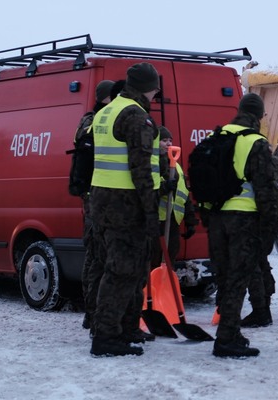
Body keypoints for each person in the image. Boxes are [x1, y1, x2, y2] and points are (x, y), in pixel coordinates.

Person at [89, 63, 162, 357]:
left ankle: (126, 328)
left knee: (127, 269)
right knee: (121, 271)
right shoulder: (135, 115)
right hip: (126, 203)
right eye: (156, 89)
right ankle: (106, 335)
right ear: (151, 87)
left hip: (103, 200)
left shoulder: (106, 111)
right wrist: (150, 211)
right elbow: (141, 169)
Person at [206, 92, 278, 357]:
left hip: (217, 218)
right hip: (244, 219)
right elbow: (265, 190)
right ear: (259, 116)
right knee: (239, 278)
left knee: (225, 278)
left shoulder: (218, 136)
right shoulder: (255, 143)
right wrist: (269, 228)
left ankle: (231, 330)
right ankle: (226, 340)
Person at [76, 79, 114, 333]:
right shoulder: (91, 121)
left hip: (105, 195)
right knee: (95, 257)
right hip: (94, 196)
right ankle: (92, 312)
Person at [152, 126, 198, 268]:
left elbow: (183, 194)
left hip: (172, 222)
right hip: (156, 222)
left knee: (169, 259)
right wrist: (164, 188)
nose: (169, 144)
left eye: (170, 140)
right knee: (153, 260)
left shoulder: (175, 166)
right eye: (164, 140)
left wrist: (190, 220)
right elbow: (145, 192)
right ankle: (150, 289)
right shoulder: (152, 163)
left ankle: (165, 287)